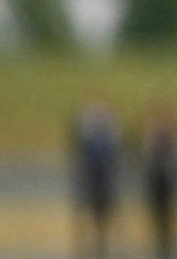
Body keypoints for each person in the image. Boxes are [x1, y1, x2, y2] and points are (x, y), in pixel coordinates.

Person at [71, 100, 118, 259]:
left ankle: (104, 243)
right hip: (89, 181)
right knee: (86, 213)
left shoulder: (111, 135)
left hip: (105, 182)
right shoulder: (86, 136)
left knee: (105, 214)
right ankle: (84, 244)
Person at [139, 101, 177, 259]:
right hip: (156, 184)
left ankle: (169, 246)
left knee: (170, 217)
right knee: (156, 217)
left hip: (169, 183)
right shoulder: (151, 138)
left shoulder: (173, 138)